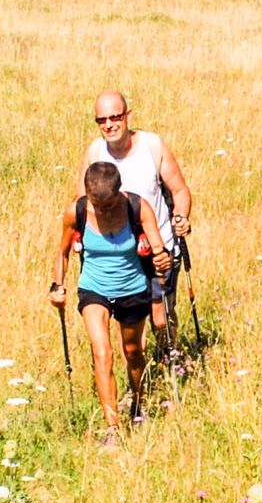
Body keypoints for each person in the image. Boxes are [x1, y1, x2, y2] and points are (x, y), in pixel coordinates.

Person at [49, 160, 174, 438]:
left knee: (133, 352)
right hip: (94, 289)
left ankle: (138, 404)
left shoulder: (137, 207)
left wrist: (162, 262)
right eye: (97, 204)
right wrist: (57, 286)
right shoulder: (77, 211)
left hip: (133, 288)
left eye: (108, 205)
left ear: (120, 191)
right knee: (102, 353)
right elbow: (62, 252)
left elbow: (158, 251)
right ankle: (112, 428)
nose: (102, 211)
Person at [82, 91, 194, 364]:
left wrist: (181, 217)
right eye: (101, 120)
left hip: (158, 251)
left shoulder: (151, 146)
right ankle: (141, 388)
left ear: (127, 116)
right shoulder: (95, 152)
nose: (109, 125)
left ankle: (171, 358)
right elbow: (80, 201)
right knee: (132, 334)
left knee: (159, 319)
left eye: (115, 117)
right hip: (120, 256)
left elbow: (179, 190)